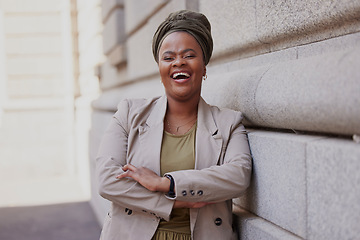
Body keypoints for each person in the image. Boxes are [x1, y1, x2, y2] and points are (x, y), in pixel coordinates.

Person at [96, 10, 252, 240]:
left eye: (189, 55)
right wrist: (172, 202)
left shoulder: (228, 123)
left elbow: (238, 177)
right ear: (160, 69)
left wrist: (167, 183)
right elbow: (107, 180)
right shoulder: (129, 114)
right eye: (168, 58)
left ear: (204, 66)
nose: (178, 62)